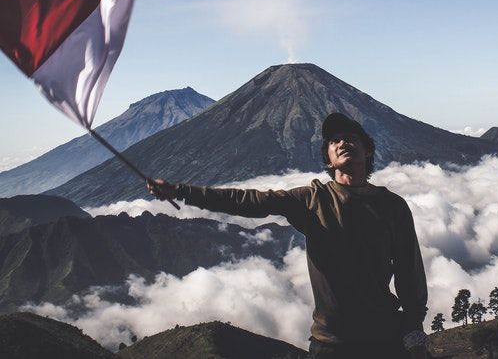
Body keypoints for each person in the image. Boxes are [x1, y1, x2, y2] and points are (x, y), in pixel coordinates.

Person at [147, 112, 430, 359]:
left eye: (351, 137)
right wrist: (182, 191)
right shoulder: (313, 199)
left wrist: (415, 334)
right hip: (332, 343)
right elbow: (250, 200)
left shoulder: (392, 206)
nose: (343, 142)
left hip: (383, 338)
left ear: (368, 151)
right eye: (335, 141)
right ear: (329, 161)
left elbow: (409, 272)